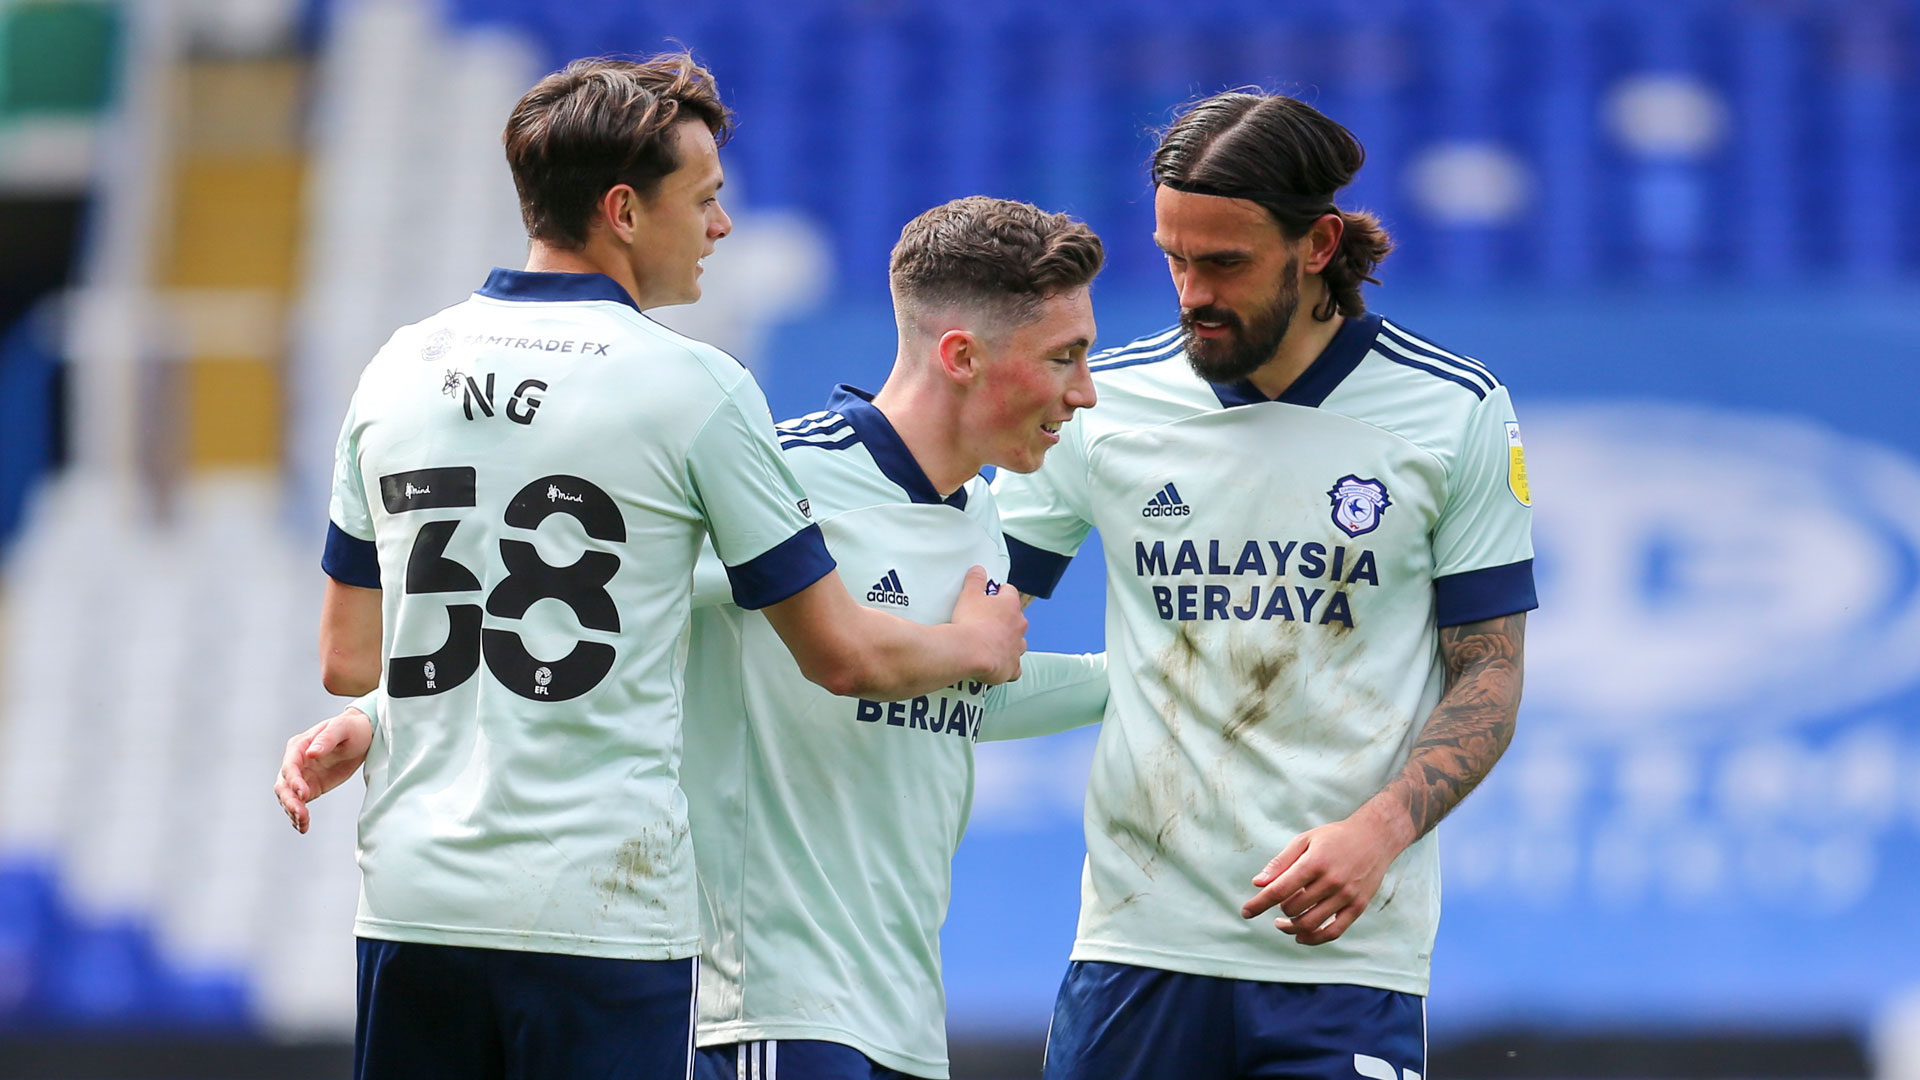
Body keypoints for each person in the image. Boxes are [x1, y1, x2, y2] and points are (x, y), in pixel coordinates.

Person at [284, 55, 1025, 1080]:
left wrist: (375, 720)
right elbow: (841, 656)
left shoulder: (398, 364)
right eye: (707, 199)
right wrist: (975, 642)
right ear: (624, 211)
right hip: (600, 911)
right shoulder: (695, 387)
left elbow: (347, 656)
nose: (720, 226)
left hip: (414, 900)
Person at [990, 91, 1536, 1080]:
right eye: (1173, 258)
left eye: (1225, 263)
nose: (1192, 290)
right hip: (1137, 948)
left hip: (1348, 954)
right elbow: (971, 634)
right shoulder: (1100, 409)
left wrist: (1380, 832)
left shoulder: (1453, 412)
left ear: (1319, 243)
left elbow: (1489, 679)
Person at [684, 196, 1110, 1080]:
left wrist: (1144, 677)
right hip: (768, 1006)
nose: (1084, 391)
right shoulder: (782, 480)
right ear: (962, 356)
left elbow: (961, 696)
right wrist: (382, 717)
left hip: (902, 1019)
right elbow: (590, 614)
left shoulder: (979, 514)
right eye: (1063, 358)